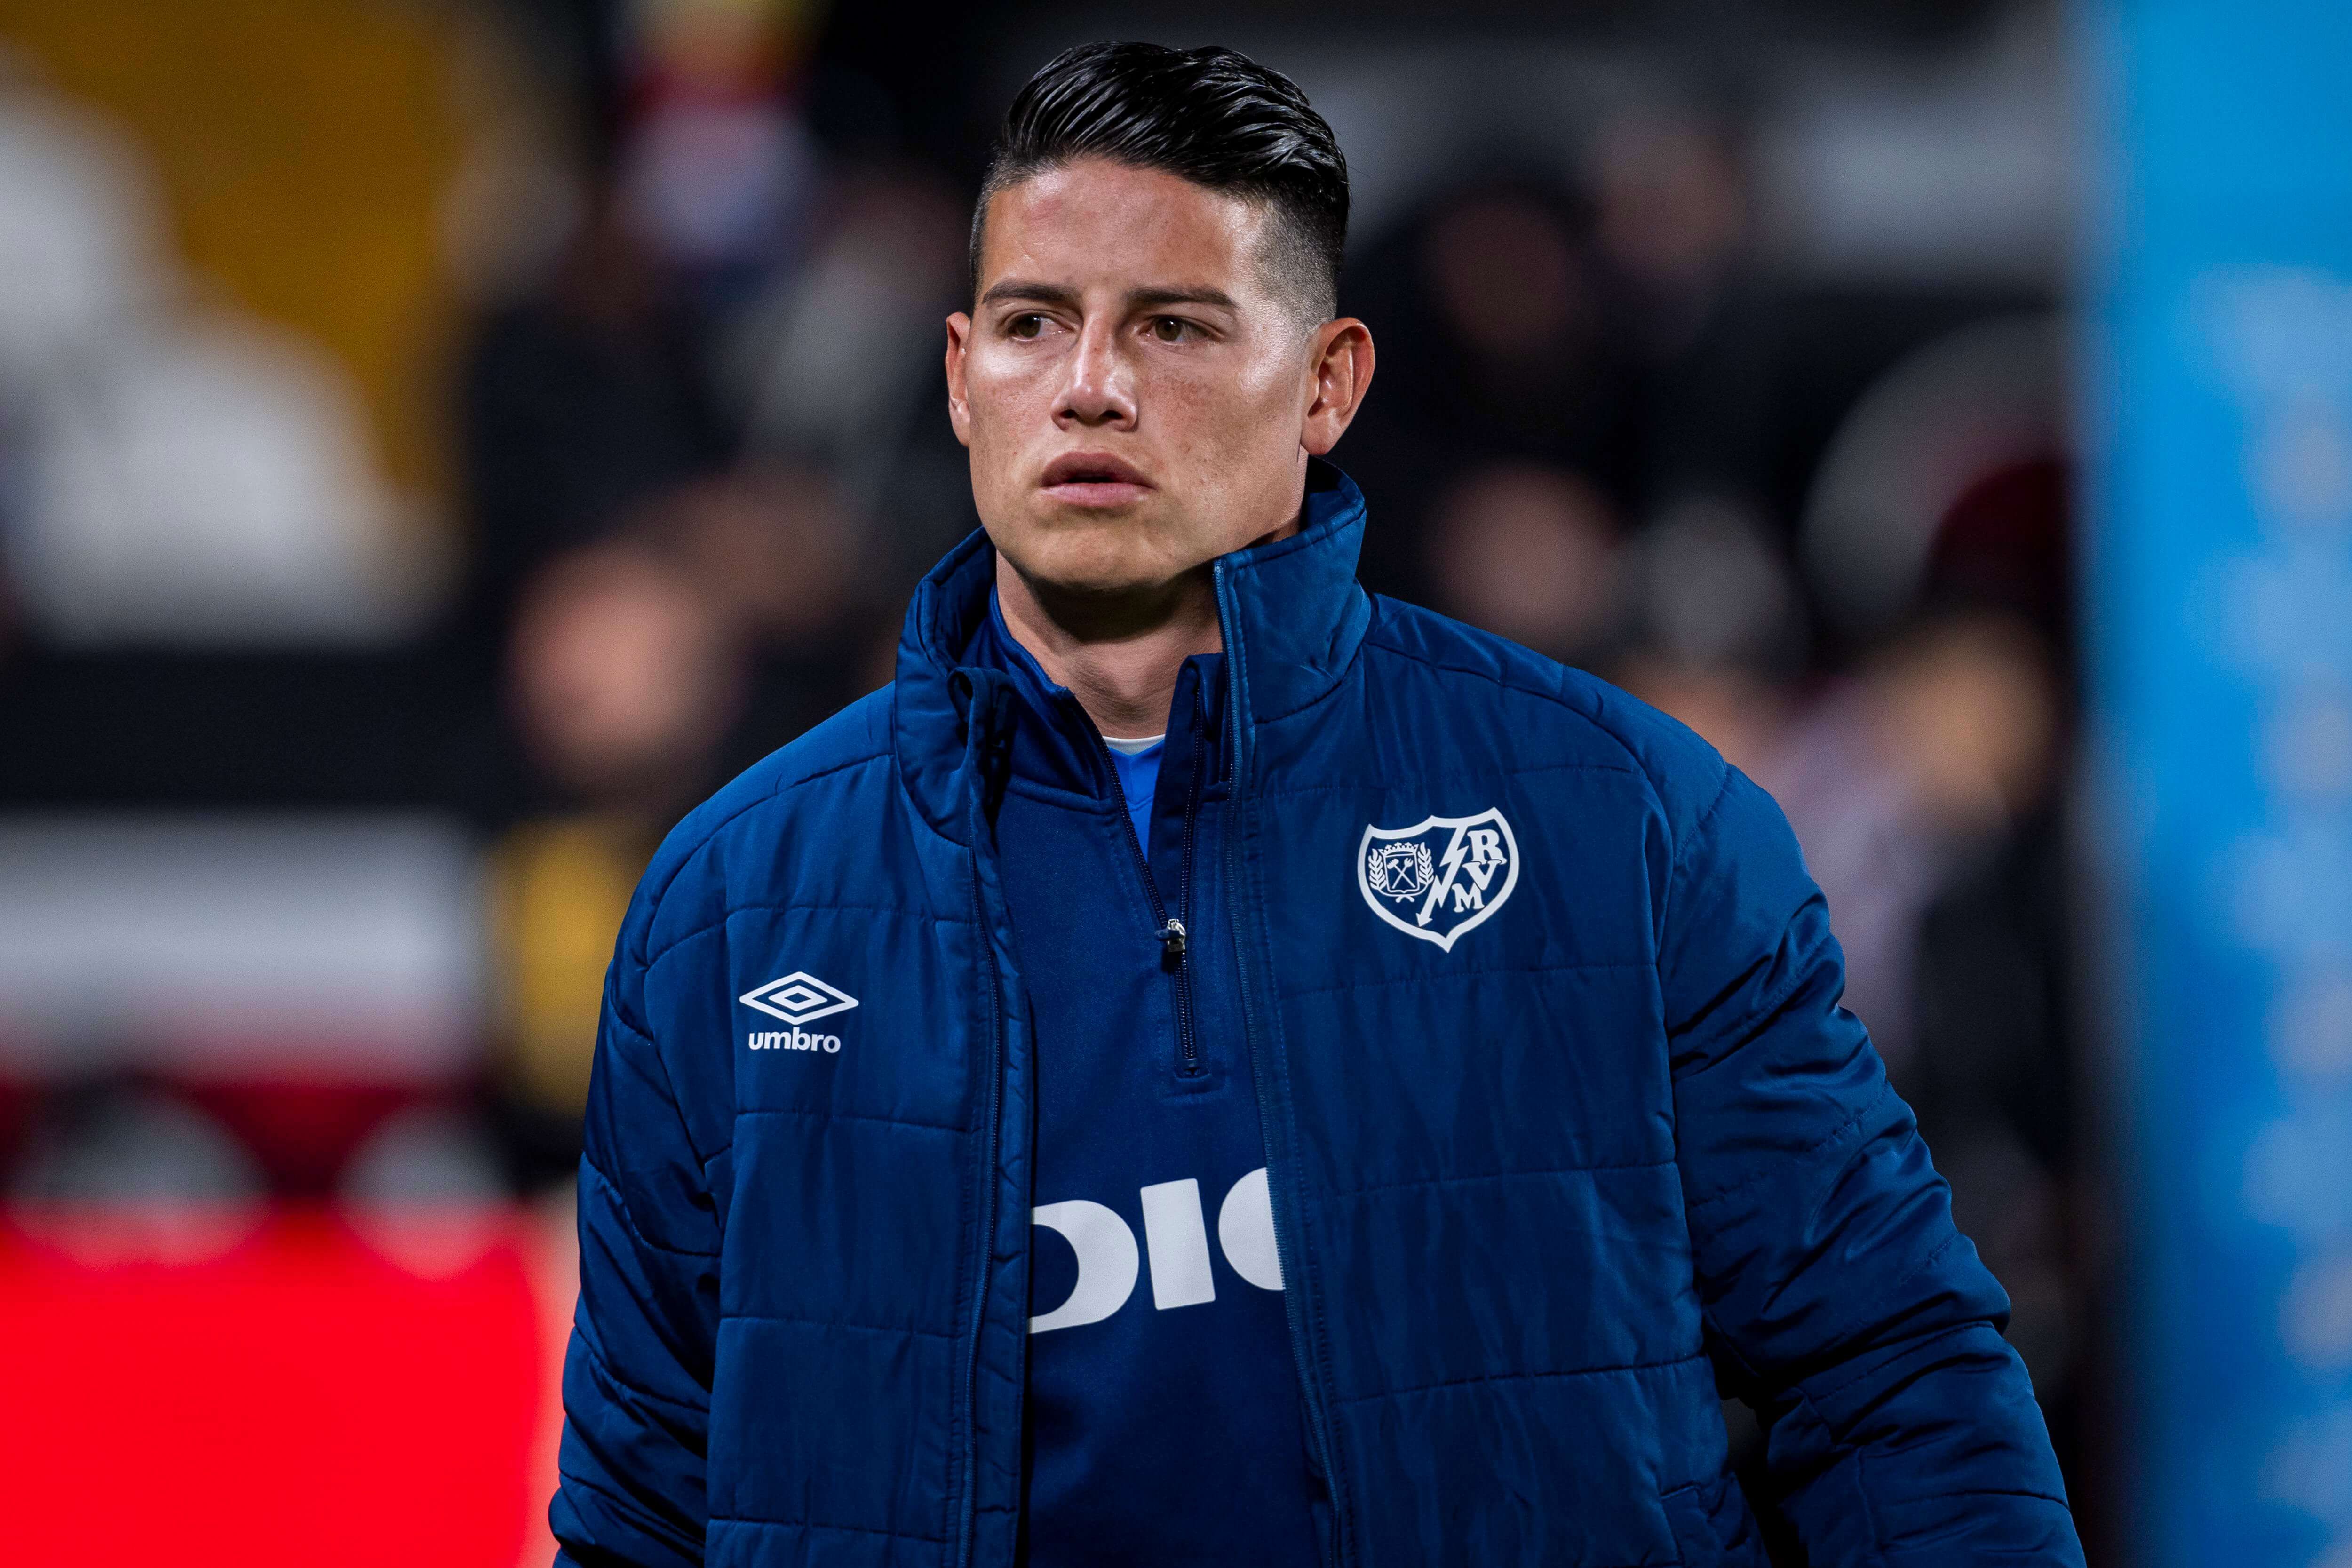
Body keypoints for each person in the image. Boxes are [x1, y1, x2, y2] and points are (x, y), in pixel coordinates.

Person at [549, 42, 2084, 1568]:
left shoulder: (1625, 825)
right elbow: (638, 1515)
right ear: (959, 380)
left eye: (1174, 327)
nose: (1090, 387)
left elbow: (1893, 1379)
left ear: (1329, 386)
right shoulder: (731, 911)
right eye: (1033, 325)